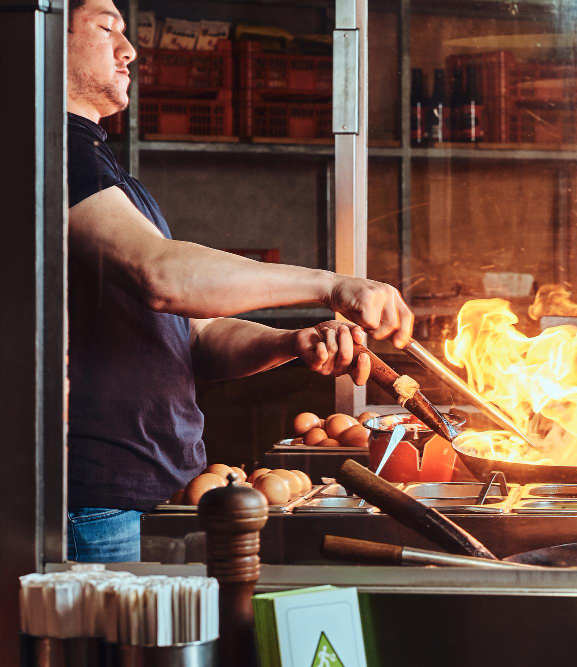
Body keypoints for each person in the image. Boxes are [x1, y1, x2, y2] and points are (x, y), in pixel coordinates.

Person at [65, 0, 413, 561]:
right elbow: (163, 276)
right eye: (106, 29)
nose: (128, 51)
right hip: (94, 500)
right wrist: (331, 284)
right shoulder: (56, 153)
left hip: (149, 491)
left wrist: (288, 343)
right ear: (43, 40)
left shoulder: (104, 173)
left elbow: (193, 335)